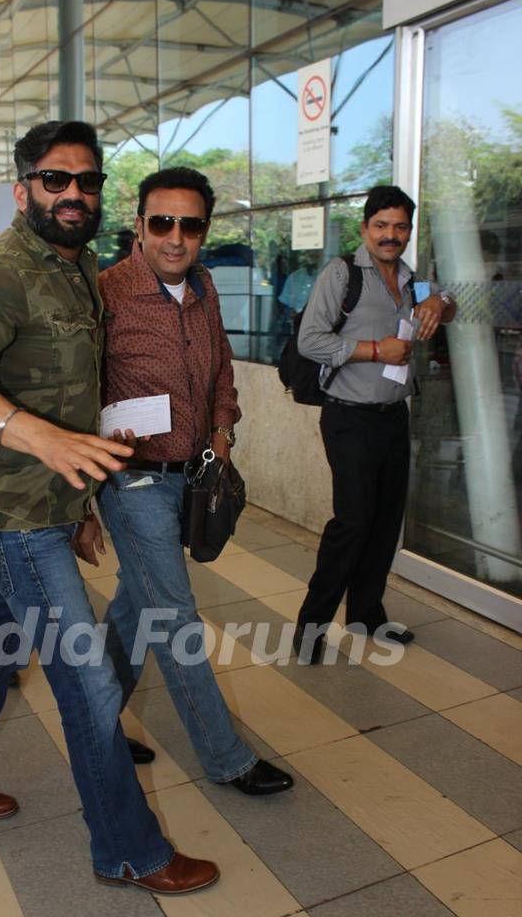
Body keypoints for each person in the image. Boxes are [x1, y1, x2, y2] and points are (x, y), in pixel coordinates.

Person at [0, 121, 219, 895]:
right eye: (55, 180)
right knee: (89, 684)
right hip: (12, 521)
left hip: (51, 510)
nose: (73, 193)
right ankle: (127, 850)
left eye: (86, 181)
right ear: (23, 191)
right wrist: (39, 440)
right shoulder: (0, 273)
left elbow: (75, 393)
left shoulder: (76, 269)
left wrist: (79, 498)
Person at [77, 167, 293, 797]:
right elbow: (73, 388)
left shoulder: (203, 288)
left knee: (135, 609)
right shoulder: (105, 292)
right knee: (174, 619)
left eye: (190, 224)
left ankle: (95, 724)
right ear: (139, 226)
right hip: (133, 483)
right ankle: (226, 758)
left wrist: (223, 433)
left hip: (192, 475)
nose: (176, 237)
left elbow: (221, 366)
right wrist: (90, 462)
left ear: (203, 230)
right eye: (162, 222)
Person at [294, 185, 456, 663]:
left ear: (409, 232)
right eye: (381, 226)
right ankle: (310, 629)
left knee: (386, 523)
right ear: (365, 229)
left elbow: (449, 303)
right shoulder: (342, 273)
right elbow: (310, 340)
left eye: (400, 226)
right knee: (353, 522)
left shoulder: (411, 279)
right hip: (349, 417)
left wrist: (437, 303)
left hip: (393, 417)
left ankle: (367, 614)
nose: (391, 235)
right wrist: (372, 350)